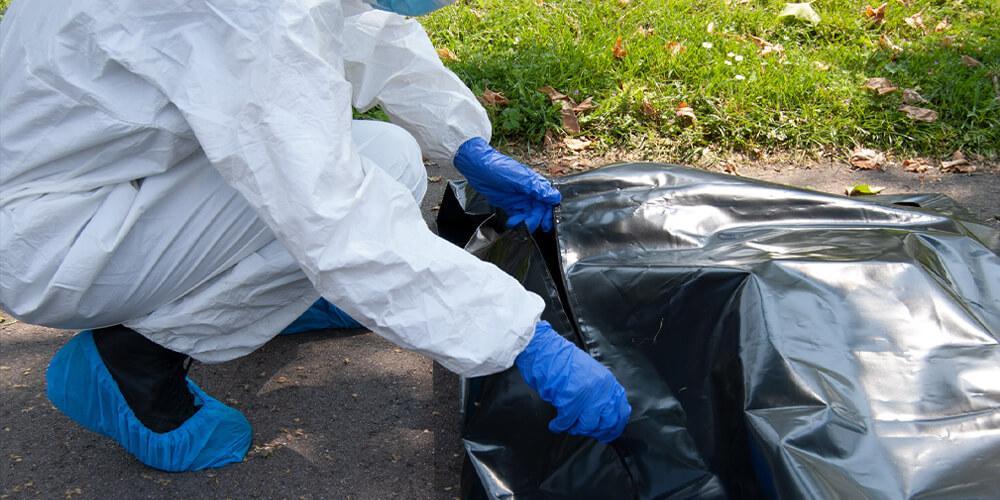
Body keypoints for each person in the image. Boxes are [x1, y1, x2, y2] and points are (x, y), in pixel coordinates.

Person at [0, 0, 631, 472]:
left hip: (110, 179)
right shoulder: (237, 14)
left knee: (389, 155)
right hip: (55, 240)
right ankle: (133, 361)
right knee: (341, 199)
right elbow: (332, 220)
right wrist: (521, 338)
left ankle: (280, 291)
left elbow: (354, 25)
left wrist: (460, 142)